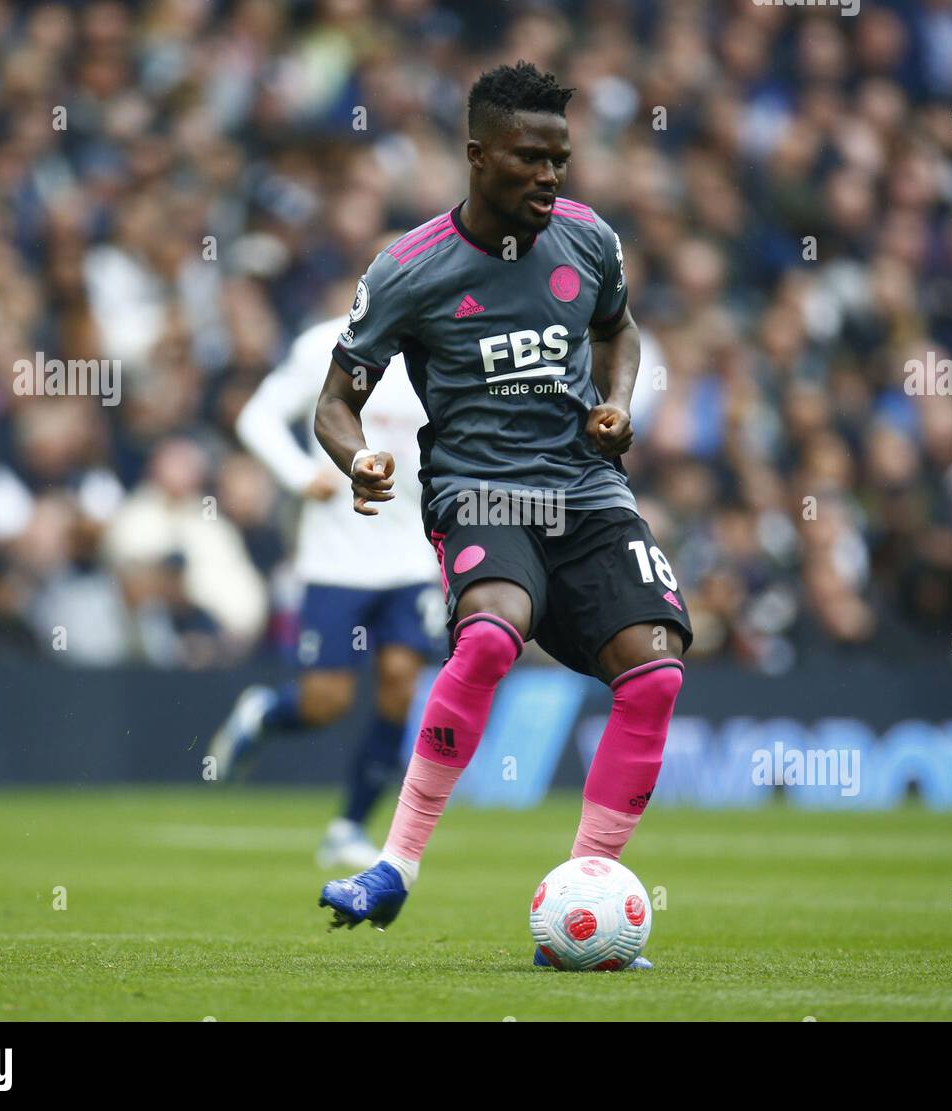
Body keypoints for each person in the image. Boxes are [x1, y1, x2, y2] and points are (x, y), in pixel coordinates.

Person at [312, 61, 692, 968]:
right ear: (479, 157)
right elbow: (334, 401)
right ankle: (394, 865)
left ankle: (587, 891)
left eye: (560, 159)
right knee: (489, 638)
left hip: (585, 487)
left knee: (657, 673)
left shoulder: (589, 240)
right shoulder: (410, 269)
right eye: (530, 158)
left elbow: (621, 330)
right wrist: (358, 457)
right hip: (478, 490)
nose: (551, 177)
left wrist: (618, 401)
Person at [208, 286, 443, 871]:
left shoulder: (442, 347)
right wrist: (297, 475)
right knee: (325, 702)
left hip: (412, 553)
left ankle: (348, 826)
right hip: (337, 556)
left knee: (397, 681)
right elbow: (258, 415)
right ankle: (265, 714)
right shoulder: (325, 344)